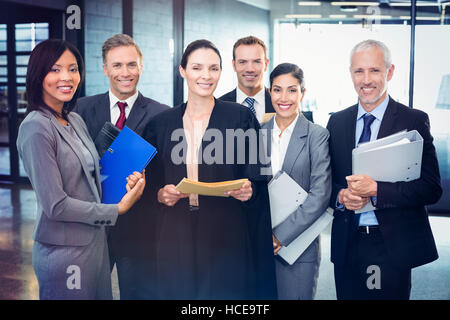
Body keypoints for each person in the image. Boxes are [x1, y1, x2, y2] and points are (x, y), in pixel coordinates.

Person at [141, 39, 277, 299]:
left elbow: (257, 178)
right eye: (197, 68)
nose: (206, 76)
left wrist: (250, 191)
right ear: (182, 71)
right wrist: (160, 194)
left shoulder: (240, 117)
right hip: (175, 231)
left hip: (226, 230)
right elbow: (149, 184)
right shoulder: (160, 124)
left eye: (214, 68)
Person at [16, 39, 145, 299]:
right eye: (55, 69)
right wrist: (117, 209)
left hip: (94, 246)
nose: (66, 77)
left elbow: (91, 173)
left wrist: (127, 180)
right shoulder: (36, 127)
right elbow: (56, 205)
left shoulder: (73, 118)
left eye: (72, 69)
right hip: (64, 252)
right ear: (37, 74)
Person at [326, 39, 442, 300]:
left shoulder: (413, 120)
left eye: (374, 70)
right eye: (359, 71)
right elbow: (327, 182)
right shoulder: (337, 121)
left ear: (389, 72)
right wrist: (341, 196)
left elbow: (431, 188)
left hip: (390, 245)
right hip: (347, 243)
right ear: (351, 73)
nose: (366, 80)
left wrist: (378, 190)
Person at [74, 34, 169, 299]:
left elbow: (165, 174)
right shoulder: (81, 109)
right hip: (92, 228)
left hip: (138, 230)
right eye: (117, 65)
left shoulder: (162, 114)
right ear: (105, 69)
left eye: (131, 64)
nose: (125, 72)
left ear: (141, 66)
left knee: (137, 294)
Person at [261, 63, 331, 299]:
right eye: (277, 90)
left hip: (299, 246)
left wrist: (279, 235)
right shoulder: (256, 132)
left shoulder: (316, 135)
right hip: (258, 244)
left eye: (292, 90)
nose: (284, 97)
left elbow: (320, 195)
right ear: (269, 92)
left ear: (303, 93)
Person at [219, 35, 275, 122]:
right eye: (243, 62)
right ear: (234, 65)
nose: (250, 69)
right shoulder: (218, 108)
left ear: (266, 64)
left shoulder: (281, 104)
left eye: (256, 61)